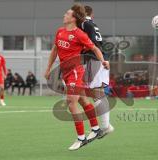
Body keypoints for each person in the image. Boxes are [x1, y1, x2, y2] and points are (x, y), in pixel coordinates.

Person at [44, 4, 109, 151]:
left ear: (73, 18)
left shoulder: (79, 34)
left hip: (75, 71)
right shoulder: (60, 31)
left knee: (71, 102)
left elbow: (94, 48)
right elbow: (55, 50)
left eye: (67, 14)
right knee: (82, 100)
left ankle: (81, 138)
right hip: (65, 72)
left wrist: (103, 61)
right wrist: (48, 68)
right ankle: (96, 128)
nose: (64, 15)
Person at [78, 5, 114, 137]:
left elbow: (92, 43)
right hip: (98, 59)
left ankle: (105, 127)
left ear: (85, 13)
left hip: (96, 60)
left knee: (97, 93)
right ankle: (105, 126)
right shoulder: (91, 24)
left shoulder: (83, 23)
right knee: (95, 92)